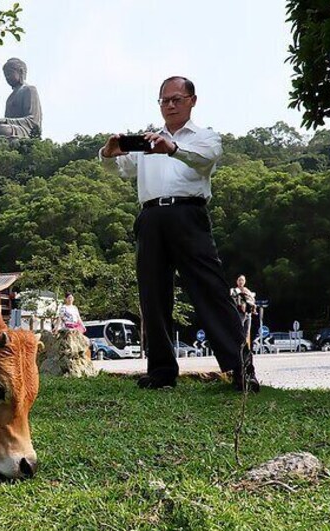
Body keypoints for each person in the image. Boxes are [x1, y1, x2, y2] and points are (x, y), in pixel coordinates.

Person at [99, 76, 259, 392]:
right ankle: (161, 372)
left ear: (192, 101)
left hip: (189, 214)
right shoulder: (148, 140)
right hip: (151, 216)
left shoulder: (205, 137)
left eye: (176, 99)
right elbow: (119, 169)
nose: (170, 105)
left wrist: (172, 148)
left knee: (211, 290)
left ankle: (241, 369)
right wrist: (108, 152)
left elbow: (204, 160)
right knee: (153, 295)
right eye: (164, 100)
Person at [0, 58, 43, 140]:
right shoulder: (10, 98)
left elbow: (33, 121)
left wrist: (7, 121)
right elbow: (2, 123)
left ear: (21, 72)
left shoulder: (29, 90)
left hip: (26, 131)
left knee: (2, 129)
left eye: (9, 73)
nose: (7, 77)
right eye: (5, 75)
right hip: (11, 128)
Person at [230, 275, 256, 346]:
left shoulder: (247, 290)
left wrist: (250, 297)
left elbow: (253, 298)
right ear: (237, 281)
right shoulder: (234, 290)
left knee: (247, 332)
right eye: (239, 280)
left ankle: (246, 348)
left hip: (248, 313)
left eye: (242, 280)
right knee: (239, 330)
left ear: (245, 281)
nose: (241, 282)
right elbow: (231, 297)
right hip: (240, 313)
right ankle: (238, 346)